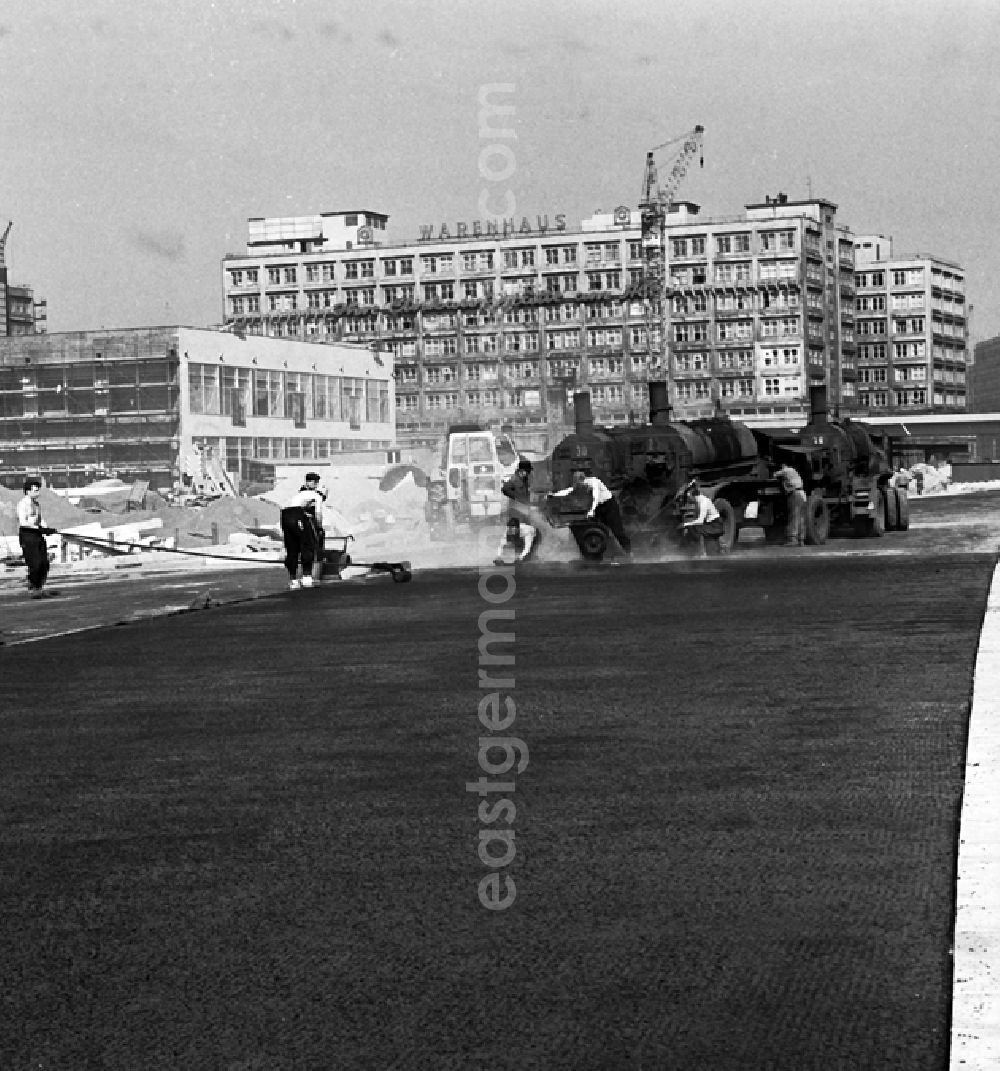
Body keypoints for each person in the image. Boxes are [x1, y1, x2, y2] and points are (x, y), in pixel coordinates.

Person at [550, 469, 632, 555]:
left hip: (609, 506)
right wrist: (554, 495)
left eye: (578, 482)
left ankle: (629, 551)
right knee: (598, 530)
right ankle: (604, 552)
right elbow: (569, 491)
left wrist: (591, 511)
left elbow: (595, 497)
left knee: (617, 530)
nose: (578, 485)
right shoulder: (581, 484)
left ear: (583, 479)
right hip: (599, 508)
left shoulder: (595, 482)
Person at [280, 471, 328, 589]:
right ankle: (307, 577)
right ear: (314, 483)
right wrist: (319, 528)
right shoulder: (317, 496)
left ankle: (293, 579)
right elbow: (318, 514)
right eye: (315, 482)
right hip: (298, 516)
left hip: (286, 516)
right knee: (307, 544)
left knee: (291, 548)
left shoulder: (298, 494)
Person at [17, 477, 57, 598]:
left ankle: (39, 587)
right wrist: (38, 528)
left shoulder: (36, 504)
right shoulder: (22, 504)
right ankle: (33, 587)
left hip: (37, 535)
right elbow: (23, 522)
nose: (38, 493)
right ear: (28, 491)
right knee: (35, 563)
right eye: (35, 490)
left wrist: (47, 529)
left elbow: (40, 520)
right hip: (27, 536)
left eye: (38, 490)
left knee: (44, 563)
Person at [677, 479, 725, 558]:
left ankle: (702, 553)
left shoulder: (704, 503)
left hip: (715, 525)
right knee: (693, 528)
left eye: (690, 497)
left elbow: (699, 521)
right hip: (711, 524)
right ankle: (717, 548)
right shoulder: (699, 502)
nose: (689, 500)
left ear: (694, 495)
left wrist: (685, 524)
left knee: (696, 528)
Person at [774, 462, 807, 546]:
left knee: (794, 516)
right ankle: (801, 539)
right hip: (802, 494)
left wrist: (775, 473)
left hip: (795, 494)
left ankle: (793, 539)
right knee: (801, 517)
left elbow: (775, 474)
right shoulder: (794, 472)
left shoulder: (787, 470)